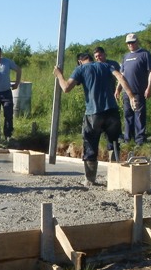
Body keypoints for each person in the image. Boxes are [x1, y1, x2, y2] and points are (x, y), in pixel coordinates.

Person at [53, 53, 137, 186]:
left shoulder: (80, 69)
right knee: (114, 143)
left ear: (80, 61)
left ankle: (90, 180)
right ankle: (115, 177)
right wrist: (131, 96)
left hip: (94, 113)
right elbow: (120, 76)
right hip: (112, 111)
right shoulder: (105, 65)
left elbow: (66, 88)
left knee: (90, 144)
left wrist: (59, 75)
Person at [117, 33, 151, 146]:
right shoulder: (125, 57)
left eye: (132, 42)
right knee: (127, 115)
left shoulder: (145, 54)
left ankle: (140, 140)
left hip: (139, 91)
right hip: (126, 92)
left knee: (139, 115)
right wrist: (118, 88)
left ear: (137, 42)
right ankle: (128, 139)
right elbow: (121, 74)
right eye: (128, 43)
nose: (130, 45)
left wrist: (149, 88)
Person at [94, 46, 122, 157]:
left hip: (110, 101)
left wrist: (118, 90)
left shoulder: (112, 64)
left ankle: (113, 154)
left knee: (112, 129)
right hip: (97, 103)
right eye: (96, 56)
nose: (98, 58)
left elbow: (120, 76)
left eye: (100, 55)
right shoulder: (94, 67)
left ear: (105, 54)